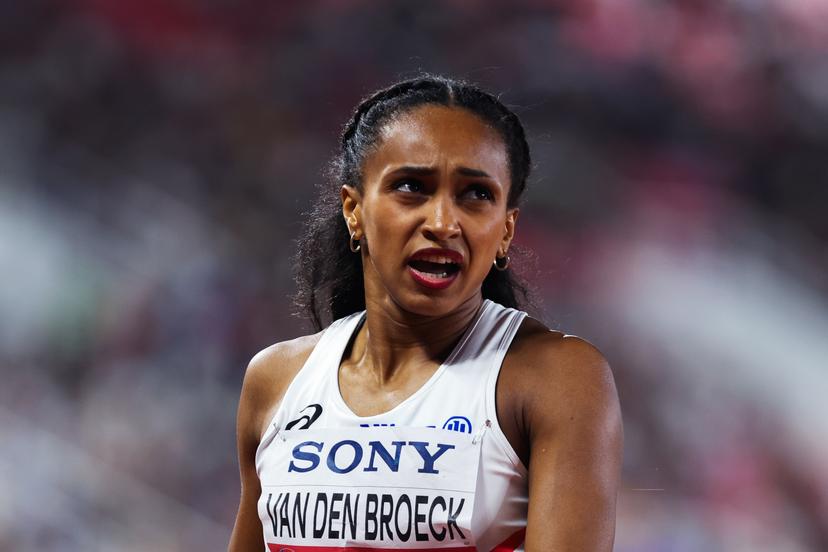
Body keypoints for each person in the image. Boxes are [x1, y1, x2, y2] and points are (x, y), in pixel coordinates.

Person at [229, 75, 623, 552]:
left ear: (506, 229)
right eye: (412, 186)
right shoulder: (276, 380)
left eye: (476, 194)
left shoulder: (554, 379)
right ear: (354, 210)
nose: (442, 223)